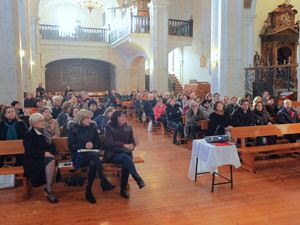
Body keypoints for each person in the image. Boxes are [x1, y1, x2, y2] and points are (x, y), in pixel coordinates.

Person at [68, 110, 115, 204]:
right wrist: (84, 145)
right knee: (95, 156)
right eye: (87, 118)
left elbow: (98, 144)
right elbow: (71, 146)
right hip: (79, 156)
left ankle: (89, 190)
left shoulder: (92, 128)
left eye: (90, 118)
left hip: (92, 155)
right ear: (81, 119)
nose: (90, 120)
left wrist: (92, 145)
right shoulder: (73, 129)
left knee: (93, 163)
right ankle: (103, 180)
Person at [104, 111, 145, 198]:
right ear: (115, 119)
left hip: (125, 153)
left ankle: (125, 188)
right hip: (112, 154)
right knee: (126, 159)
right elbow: (109, 143)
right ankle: (136, 179)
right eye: (121, 116)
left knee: (126, 162)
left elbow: (132, 141)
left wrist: (132, 146)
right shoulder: (109, 127)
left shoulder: (128, 127)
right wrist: (124, 145)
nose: (124, 118)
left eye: (124, 116)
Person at [23, 113, 60, 203]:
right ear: (33, 124)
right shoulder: (28, 134)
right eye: (40, 121)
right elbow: (29, 150)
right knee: (52, 161)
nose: (42, 122)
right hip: (33, 160)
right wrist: (44, 154)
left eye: (42, 120)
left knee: (52, 160)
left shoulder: (46, 133)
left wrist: (49, 154)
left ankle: (49, 189)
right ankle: (49, 190)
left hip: (47, 157)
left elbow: (52, 147)